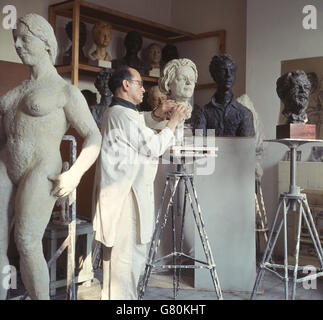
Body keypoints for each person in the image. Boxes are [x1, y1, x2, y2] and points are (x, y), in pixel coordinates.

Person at [0, 13, 102, 300]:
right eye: (15, 39)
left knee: (27, 241)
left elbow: (94, 136)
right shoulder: (18, 89)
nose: (18, 45)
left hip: (41, 168)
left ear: (46, 42)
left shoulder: (64, 91)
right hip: (5, 164)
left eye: (25, 38)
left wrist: (75, 173)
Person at [92, 66, 188, 300]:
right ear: (126, 85)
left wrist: (157, 115)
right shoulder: (120, 114)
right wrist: (172, 123)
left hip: (126, 196)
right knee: (125, 266)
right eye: (139, 84)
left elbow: (139, 124)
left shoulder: (123, 113)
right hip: (125, 201)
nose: (144, 89)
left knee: (125, 265)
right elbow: (152, 146)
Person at [192, 54, 255, 137]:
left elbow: (246, 148)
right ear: (214, 75)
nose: (228, 75)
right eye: (223, 71)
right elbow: (199, 145)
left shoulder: (244, 114)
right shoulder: (203, 113)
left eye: (232, 71)